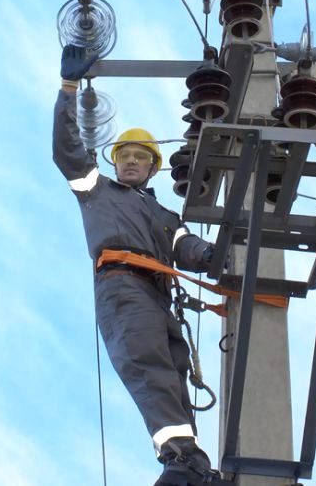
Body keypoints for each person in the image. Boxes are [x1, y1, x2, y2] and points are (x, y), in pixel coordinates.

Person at [53, 45, 226, 486]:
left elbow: (188, 248)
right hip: (122, 286)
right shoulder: (96, 188)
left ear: (152, 167)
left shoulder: (167, 218)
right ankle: (177, 456)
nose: (131, 161)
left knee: (174, 367)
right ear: (115, 161)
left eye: (140, 157)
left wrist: (213, 255)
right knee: (147, 363)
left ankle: (191, 464)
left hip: (156, 294)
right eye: (125, 155)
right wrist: (68, 88)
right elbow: (67, 150)